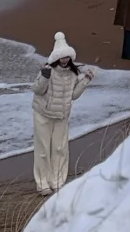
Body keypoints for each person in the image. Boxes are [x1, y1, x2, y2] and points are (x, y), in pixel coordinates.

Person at [31, 31, 94, 196]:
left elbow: (73, 95)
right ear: (56, 57)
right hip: (43, 114)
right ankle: (43, 183)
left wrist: (85, 80)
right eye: (62, 57)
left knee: (60, 148)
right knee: (43, 149)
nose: (65, 59)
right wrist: (44, 77)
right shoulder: (48, 70)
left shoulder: (73, 73)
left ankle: (57, 182)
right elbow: (37, 90)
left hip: (61, 116)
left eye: (67, 57)